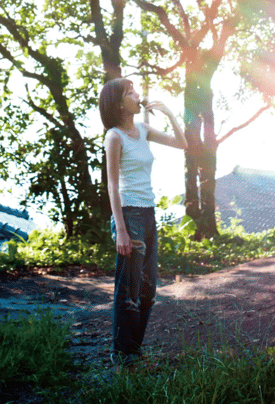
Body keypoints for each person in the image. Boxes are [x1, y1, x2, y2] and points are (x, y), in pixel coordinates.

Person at [99, 77, 188, 367]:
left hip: (148, 214)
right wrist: (121, 229)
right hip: (129, 215)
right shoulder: (113, 137)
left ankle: (132, 350)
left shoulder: (143, 129)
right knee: (129, 289)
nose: (137, 95)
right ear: (119, 104)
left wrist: (169, 113)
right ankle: (122, 354)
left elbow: (182, 143)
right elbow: (112, 186)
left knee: (149, 289)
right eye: (130, 92)